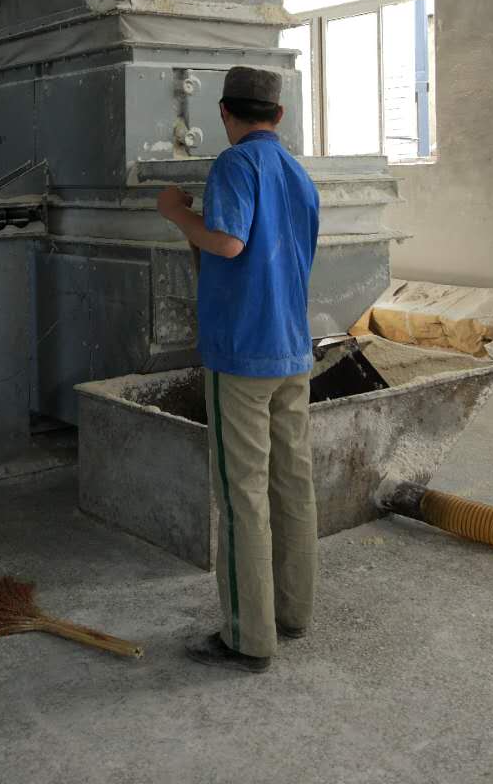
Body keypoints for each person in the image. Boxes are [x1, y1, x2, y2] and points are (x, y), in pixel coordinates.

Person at [156, 65, 320, 674]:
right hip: (291, 349)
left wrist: (176, 213)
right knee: (292, 482)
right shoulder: (298, 173)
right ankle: (293, 613)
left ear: (224, 113)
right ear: (279, 116)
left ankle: (248, 638)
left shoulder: (234, 165)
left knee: (242, 492)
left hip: (242, 354)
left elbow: (228, 242)